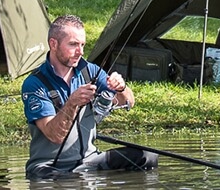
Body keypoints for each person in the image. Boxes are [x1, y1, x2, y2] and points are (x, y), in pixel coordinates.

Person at [22, 15, 156, 179]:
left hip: (89, 160)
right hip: (49, 167)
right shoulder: (34, 84)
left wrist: (121, 88)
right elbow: (54, 135)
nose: (81, 52)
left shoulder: (89, 70)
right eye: (73, 44)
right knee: (70, 182)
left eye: (82, 45)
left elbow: (128, 102)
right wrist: (72, 103)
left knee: (147, 157)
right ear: (53, 44)